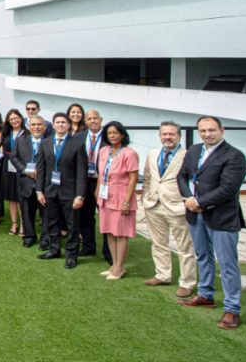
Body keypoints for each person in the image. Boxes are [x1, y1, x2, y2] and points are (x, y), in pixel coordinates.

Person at [177, 116, 246, 330]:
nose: (207, 134)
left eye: (211, 130)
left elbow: (228, 189)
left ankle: (232, 309)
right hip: (195, 214)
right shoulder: (194, 150)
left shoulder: (235, 156)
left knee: (227, 264)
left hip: (222, 217)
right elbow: (182, 176)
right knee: (202, 256)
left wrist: (199, 203)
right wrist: (190, 199)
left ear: (222, 130)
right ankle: (205, 294)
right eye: (203, 130)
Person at [141, 121, 196, 297]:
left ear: (179, 135)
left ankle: (187, 282)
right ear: (159, 136)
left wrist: (189, 201)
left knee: (185, 247)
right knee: (158, 243)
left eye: (172, 134)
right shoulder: (153, 153)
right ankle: (163, 274)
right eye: (164, 134)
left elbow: (193, 180)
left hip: (177, 206)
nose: (168, 137)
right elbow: (148, 177)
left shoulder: (187, 155)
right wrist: (145, 197)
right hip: (154, 204)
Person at [35, 113, 87, 269]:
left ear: (69, 125)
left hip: (70, 193)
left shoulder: (77, 143)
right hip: (49, 191)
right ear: (53, 124)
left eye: (64, 122)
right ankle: (54, 249)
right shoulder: (45, 143)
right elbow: (41, 169)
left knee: (72, 226)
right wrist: (39, 191)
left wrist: (80, 195)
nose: (60, 125)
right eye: (57, 122)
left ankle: (71, 255)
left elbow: (81, 172)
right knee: (52, 222)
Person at [95, 121, 139, 280]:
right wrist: (97, 191)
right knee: (109, 232)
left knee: (121, 233)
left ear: (122, 134)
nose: (112, 136)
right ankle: (114, 264)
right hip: (105, 196)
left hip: (121, 197)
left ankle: (120, 267)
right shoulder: (103, 151)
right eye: (109, 133)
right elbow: (101, 174)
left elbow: (133, 178)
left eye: (115, 133)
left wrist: (127, 201)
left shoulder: (129, 153)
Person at [80, 109, 111, 263]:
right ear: (85, 121)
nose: (93, 121)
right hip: (85, 181)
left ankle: (109, 251)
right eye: (89, 119)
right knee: (85, 215)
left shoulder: (109, 137)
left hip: (103, 182)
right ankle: (88, 246)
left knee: (105, 216)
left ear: (101, 119)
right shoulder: (79, 137)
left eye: (95, 118)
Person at [11, 115, 44, 248]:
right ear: (29, 127)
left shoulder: (49, 141)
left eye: (39, 125)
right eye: (33, 125)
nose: (36, 127)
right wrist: (25, 170)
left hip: (44, 184)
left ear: (44, 127)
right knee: (26, 212)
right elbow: (14, 157)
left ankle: (46, 238)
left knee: (46, 214)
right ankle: (29, 236)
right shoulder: (20, 140)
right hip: (26, 182)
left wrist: (41, 174)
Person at [0, 109, 27, 236]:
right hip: (8, 166)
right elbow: (2, 149)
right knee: (11, 197)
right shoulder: (6, 133)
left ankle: (23, 225)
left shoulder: (26, 133)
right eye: (11, 119)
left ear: (21, 119)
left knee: (20, 197)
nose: (14, 121)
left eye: (16, 118)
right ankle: (14, 223)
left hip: (22, 166)